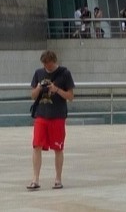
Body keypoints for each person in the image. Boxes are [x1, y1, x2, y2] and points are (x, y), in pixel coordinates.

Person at [28, 50, 75, 191]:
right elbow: (32, 95)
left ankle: (58, 179)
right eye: (44, 64)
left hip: (57, 116)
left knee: (58, 148)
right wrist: (38, 88)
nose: (46, 67)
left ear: (53, 61)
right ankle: (35, 179)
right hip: (41, 115)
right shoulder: (38, 73)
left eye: (48, 64)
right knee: (36, 146)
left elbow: (71, 96)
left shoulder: (65, 73)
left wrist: (56, 90)